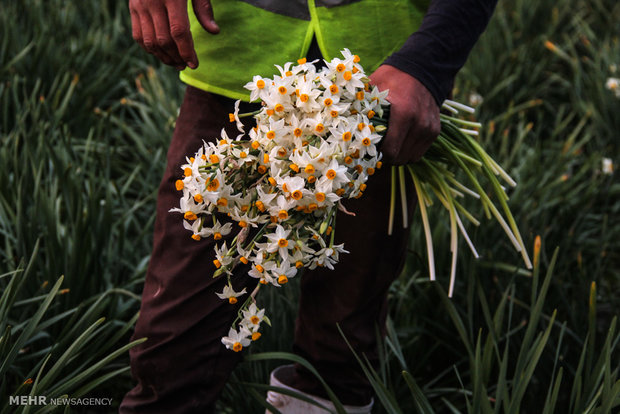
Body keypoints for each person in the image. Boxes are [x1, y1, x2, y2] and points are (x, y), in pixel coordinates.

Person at [119, 1, 497, 412]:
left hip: (383, 87)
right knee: (172, 346)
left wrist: (429, 61)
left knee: (341, 348)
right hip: (239, 59)